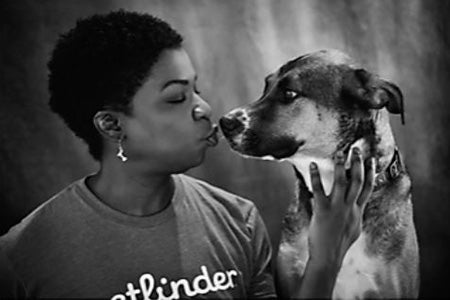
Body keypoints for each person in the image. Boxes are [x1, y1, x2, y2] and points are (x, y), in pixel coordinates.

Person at [0, 10, 374, 299]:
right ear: (112, 126)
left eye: (196, 90)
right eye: (177, 98)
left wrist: (325, 257)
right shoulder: (22, 256)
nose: (205, 108)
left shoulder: (238, 220)